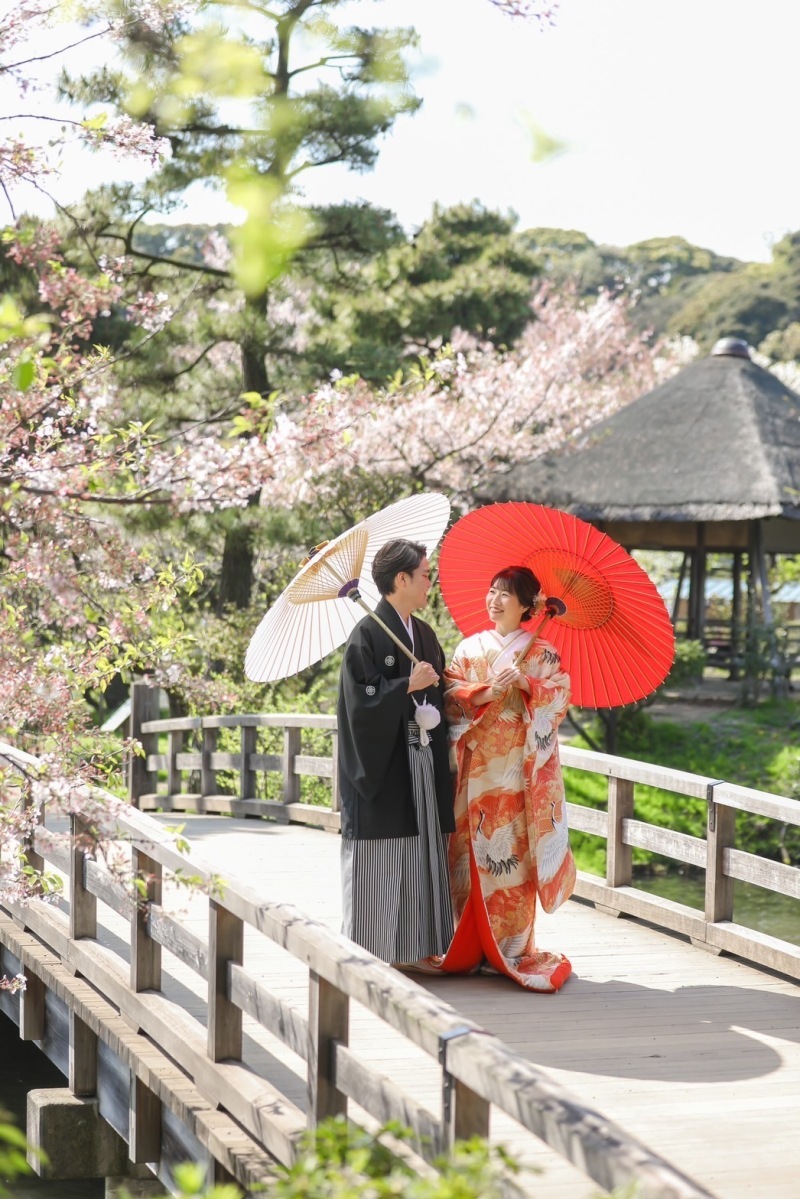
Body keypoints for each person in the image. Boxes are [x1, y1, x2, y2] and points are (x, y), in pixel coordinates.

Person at [440, 565, 575, 991]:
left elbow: (559, 699)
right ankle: (465, 943)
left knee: (514, 856)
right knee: (466, 854)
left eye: (506, 594)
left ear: (527, 606)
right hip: (474, 771)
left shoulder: (543, 654)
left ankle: (512, 949)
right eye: (492, 590)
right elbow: (449, 694)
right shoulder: (468, 648)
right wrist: (480, 693)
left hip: (518, 776)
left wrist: (529, 684)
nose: (494, 600)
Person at [337, 538, 455, 969]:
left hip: (420, 755)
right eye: (426, 574)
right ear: (401, 579)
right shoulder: (366, 635)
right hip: (384, 764)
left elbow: (443, 687)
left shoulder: (422, 633)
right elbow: (359, 701)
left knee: (422, 846)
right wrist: (405, 685)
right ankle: (374, 951)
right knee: (384, 855)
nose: (430, 582)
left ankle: (419, 946)